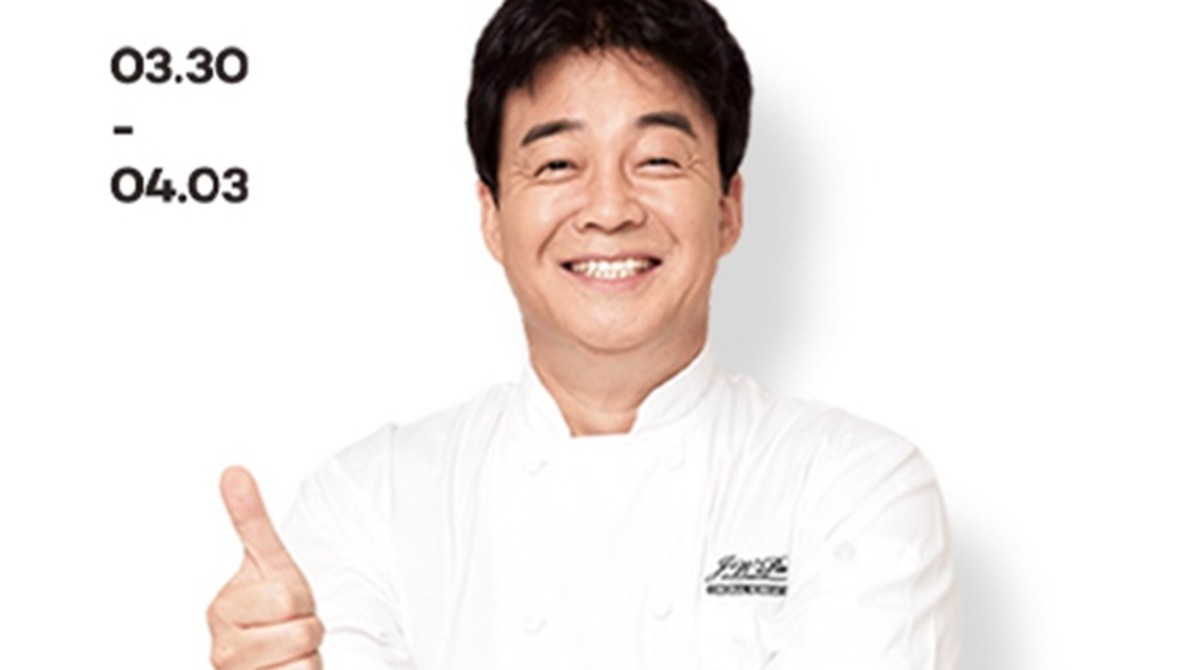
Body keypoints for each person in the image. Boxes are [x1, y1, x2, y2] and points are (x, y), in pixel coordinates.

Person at [207, 0, 963, 667]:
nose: (608, 209)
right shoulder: (369, 502)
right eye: (558, 164)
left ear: (728, 209)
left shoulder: (855, 487)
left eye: (657, 159)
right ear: (492, 216)